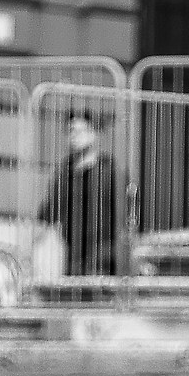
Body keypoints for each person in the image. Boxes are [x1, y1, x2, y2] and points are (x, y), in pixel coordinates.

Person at [38, 111, 119, 278]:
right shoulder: (65, 171)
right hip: (73, 253)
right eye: (70, 131)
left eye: (79, 131)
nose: (73, 136)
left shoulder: (109, 171)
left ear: (94, 134)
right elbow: (50, 210)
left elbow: (123, 214)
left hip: (103, 254)